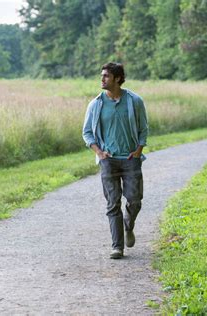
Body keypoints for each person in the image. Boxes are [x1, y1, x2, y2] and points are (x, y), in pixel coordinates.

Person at [82, 62, 149, 259]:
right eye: (102, 76)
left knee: (135, 200)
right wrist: (99, 152)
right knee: (113, 203)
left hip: (130, 158)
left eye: (106, 76)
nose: (102, 79)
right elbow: (87, 133)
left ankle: (128, 226)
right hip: (108, 160)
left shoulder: (134, 101)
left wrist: (138, 150)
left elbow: (143, 128)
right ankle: (117, 247)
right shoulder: (96, 104)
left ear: (117, 79)